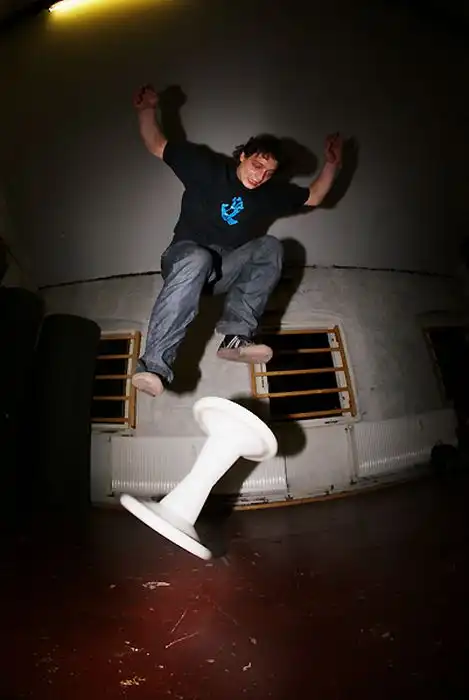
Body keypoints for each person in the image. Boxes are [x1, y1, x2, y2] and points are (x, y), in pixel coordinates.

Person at [131, 84, 343, 397]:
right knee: (198, 258)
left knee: (270, 247)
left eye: (268, 173)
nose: (260, 177)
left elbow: (314, 196)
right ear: (243, 156)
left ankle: (236, 337)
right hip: (183, 257)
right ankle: (153, 366)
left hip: (223, 270)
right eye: (257, 166)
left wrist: (332, 164)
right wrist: (147, 110)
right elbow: (157, 144)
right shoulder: (207, 169)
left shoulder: (269, 194)